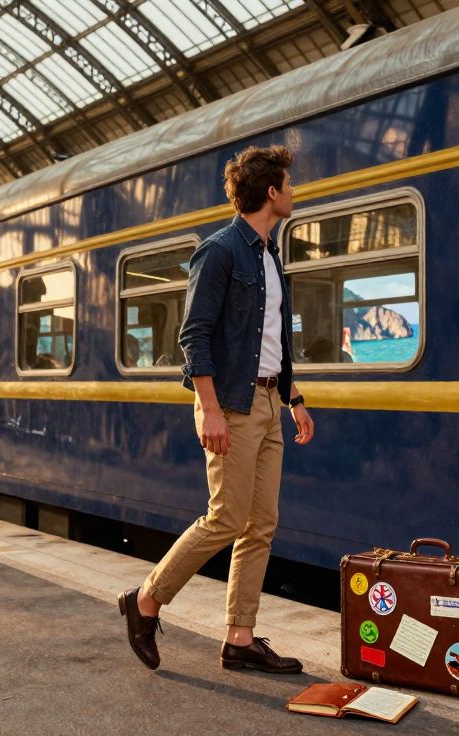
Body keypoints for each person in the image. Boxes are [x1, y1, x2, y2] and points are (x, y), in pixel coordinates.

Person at [118, 144, 315, 674]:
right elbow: (194, 335)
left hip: (272, 401)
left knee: (261, 523)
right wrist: (209, 409)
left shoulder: (270, 256)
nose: (295, 191)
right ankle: (145, 601)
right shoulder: (221, 250)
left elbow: (272, 339)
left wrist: (294, 399)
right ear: (271, 192)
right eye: (289, 184)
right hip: (232, 401)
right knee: (226, 517)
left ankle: (239, 637)